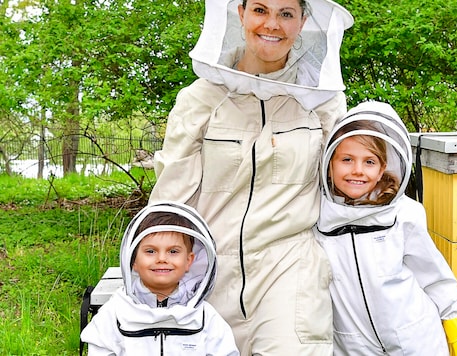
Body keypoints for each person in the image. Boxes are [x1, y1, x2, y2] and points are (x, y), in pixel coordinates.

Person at [148, 0, 354, 354]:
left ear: (303, 21)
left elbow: (348, 183)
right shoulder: (199, 99)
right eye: (260, 10)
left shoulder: (323, 103)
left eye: (286, 13)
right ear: (240, 13)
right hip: (208, 274)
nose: (272, 24)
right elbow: (171, 198)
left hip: (291, 271)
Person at [314, 101, 457, 356]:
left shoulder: (403, 214)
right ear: (329, 165)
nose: (357, 170)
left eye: (369, 162)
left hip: (417, 341)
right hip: (353, 347)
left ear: (381, 170)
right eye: (346, 159)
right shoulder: (316, 216)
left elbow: (434, 275)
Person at [80, 201, 239, 355]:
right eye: (150, 251)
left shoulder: (206, 317)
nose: (162, 258)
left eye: (173, 251)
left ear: (189, 261)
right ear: (133, 260)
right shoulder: (114, 314)